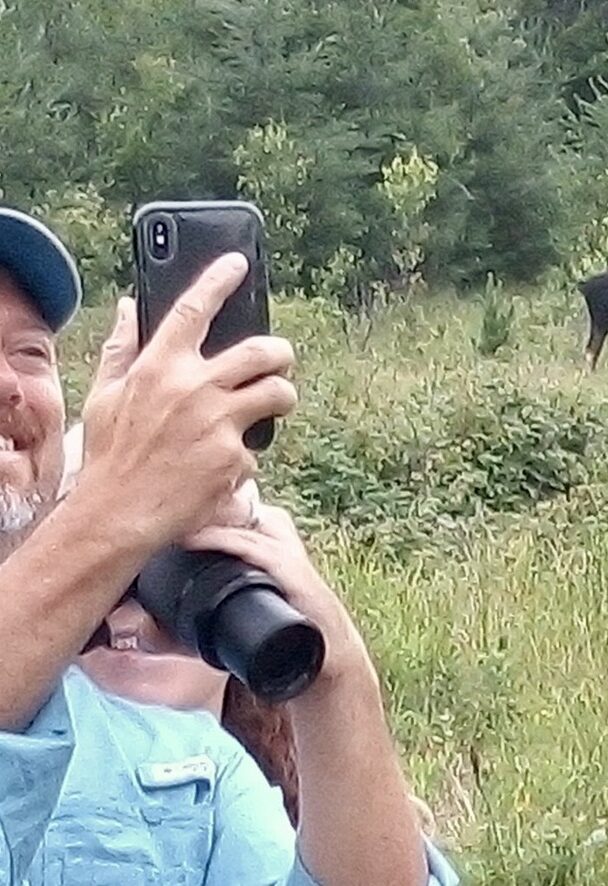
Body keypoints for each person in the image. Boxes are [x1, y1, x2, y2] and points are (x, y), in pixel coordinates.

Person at [0, 207, 459, 885]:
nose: (8, 384)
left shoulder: (187, 775)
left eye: (29, 352)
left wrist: (338, 682)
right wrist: (115, 511)